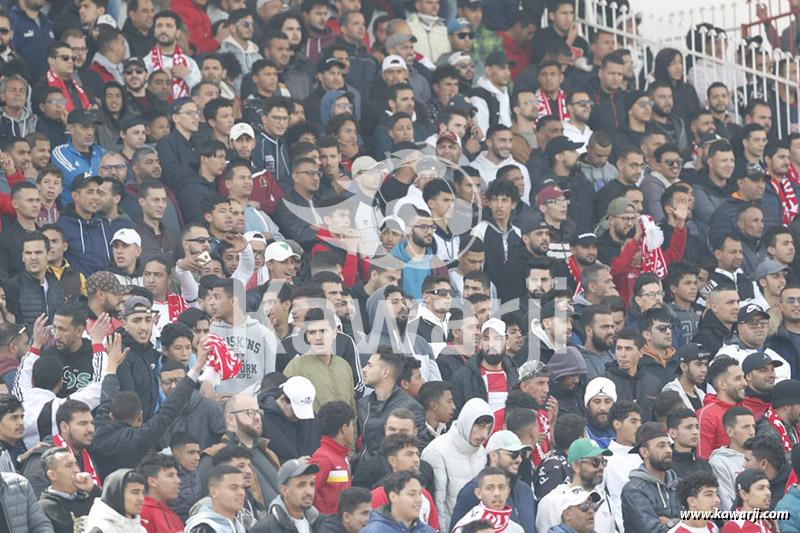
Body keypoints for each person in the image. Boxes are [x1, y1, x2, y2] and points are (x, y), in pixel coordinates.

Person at [421, 397, 494, 531]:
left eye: (488, 429)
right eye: (480, 427)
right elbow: (438, 504)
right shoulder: (436, 451)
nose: (484, 435)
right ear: (467, 422)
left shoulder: (481, 451)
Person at [450, 431, 535, 533]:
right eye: (513, 454)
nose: (519, 459)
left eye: (521, 454)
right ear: (493, 455)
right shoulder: (472, 489)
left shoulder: (525, 490)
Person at [209, 278, 278, 397]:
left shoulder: (265, 334)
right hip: (219, 407)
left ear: (233, 301)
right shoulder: (211, 332)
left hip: (252, 408)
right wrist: (212, 398)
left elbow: (269, 382)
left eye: (217, 297)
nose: (211, 302)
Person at [358, 347, 427, 457]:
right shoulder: (363, 404)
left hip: (395, 471)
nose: (364, 369)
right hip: (365, 470)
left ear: (385, 372)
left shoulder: (411, 407)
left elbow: (420, 446)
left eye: (370, 365)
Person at [535, 437, 614, 533]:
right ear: (575, 466)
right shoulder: (552, 502)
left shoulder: (605, 499)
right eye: (595, 462)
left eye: (603, 462)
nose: (601, 467)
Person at [450, 318, 519, 425]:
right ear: (481, 343)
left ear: (507, 343)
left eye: (497, 339)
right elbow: (455, 419)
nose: (491, 344)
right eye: (486, 339)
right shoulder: (463, 377)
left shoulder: (516, 375)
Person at [620, 422, 681, 533]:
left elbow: (701, 520)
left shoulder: (680, 484)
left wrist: (669, 523)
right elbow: (651, 530)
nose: (669, 450)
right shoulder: (634, 490)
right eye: (661, 446)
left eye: (669, 445)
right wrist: (680, 524)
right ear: (644, 452)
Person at [257, 375, 321, 464]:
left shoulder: (310, 418)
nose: (299, 416)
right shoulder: (262, 420)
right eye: (295, 410)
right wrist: (294, 464)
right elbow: (261, 461)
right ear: (282, 399)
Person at [251, 458, 326, 533]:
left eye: (311, 484)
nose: (309, 492)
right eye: (301, 485)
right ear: (284, 490)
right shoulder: (264, 529)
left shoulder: (321, 524)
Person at [38, 446, 101, 533]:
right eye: (69, 466)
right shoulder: (44, 508)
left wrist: (93, 489)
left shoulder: (89, 496)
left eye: (76, 464)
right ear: (52, 475)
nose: (76, 470)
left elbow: (116, 509)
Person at [603, 328, 661, 423]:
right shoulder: (604, 381)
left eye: (628, 349)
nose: (622, 354)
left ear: (641, 352)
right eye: (619, 348)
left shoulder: (653, 383)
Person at [309, 400, 354, 515]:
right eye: (352, 425)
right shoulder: (323, 459)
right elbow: (305, 496)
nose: (353, 431)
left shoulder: (342, 456)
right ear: (344, 428)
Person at [697, 357, 747, 460]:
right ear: (722, 384)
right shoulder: (706, 415)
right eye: (738, 378)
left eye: (743, 377)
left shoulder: (746, 409)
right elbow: (702, 459)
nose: (745, 383)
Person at [710, 407, 756, 512]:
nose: (752, 432)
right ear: (730, 431)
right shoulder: (719, 462)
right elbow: (727, 505)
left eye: (753, 426)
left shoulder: (760, 456)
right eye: (745, 427)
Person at [361, 470, 436, 533]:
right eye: (412, 494)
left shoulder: (427, 531)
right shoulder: (373, 530)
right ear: (393, 497)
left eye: (419, 494)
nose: (418, 500)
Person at [184, 464, 247, 533]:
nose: (241, 493)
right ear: (214, 492)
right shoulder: (203, 528)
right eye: (233, 488)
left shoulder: (240, 528)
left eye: (242, 487)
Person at [84, 468, 147, 532]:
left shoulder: (141, 530)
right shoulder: (100, 529)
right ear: (117, 495)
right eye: (135, 492)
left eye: (143, 492)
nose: (141, 498)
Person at [137, 452, 184, 533]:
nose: (178, 481)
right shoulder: (142, 513)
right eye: (170, 475)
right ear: (152, 482)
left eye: (177, 475)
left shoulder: (174, 516)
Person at [666, 408, 712, 480]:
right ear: (672, 433)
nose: (695, 432)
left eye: (697, 427)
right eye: (689, 427)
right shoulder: (666, 467)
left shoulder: (705, 465)